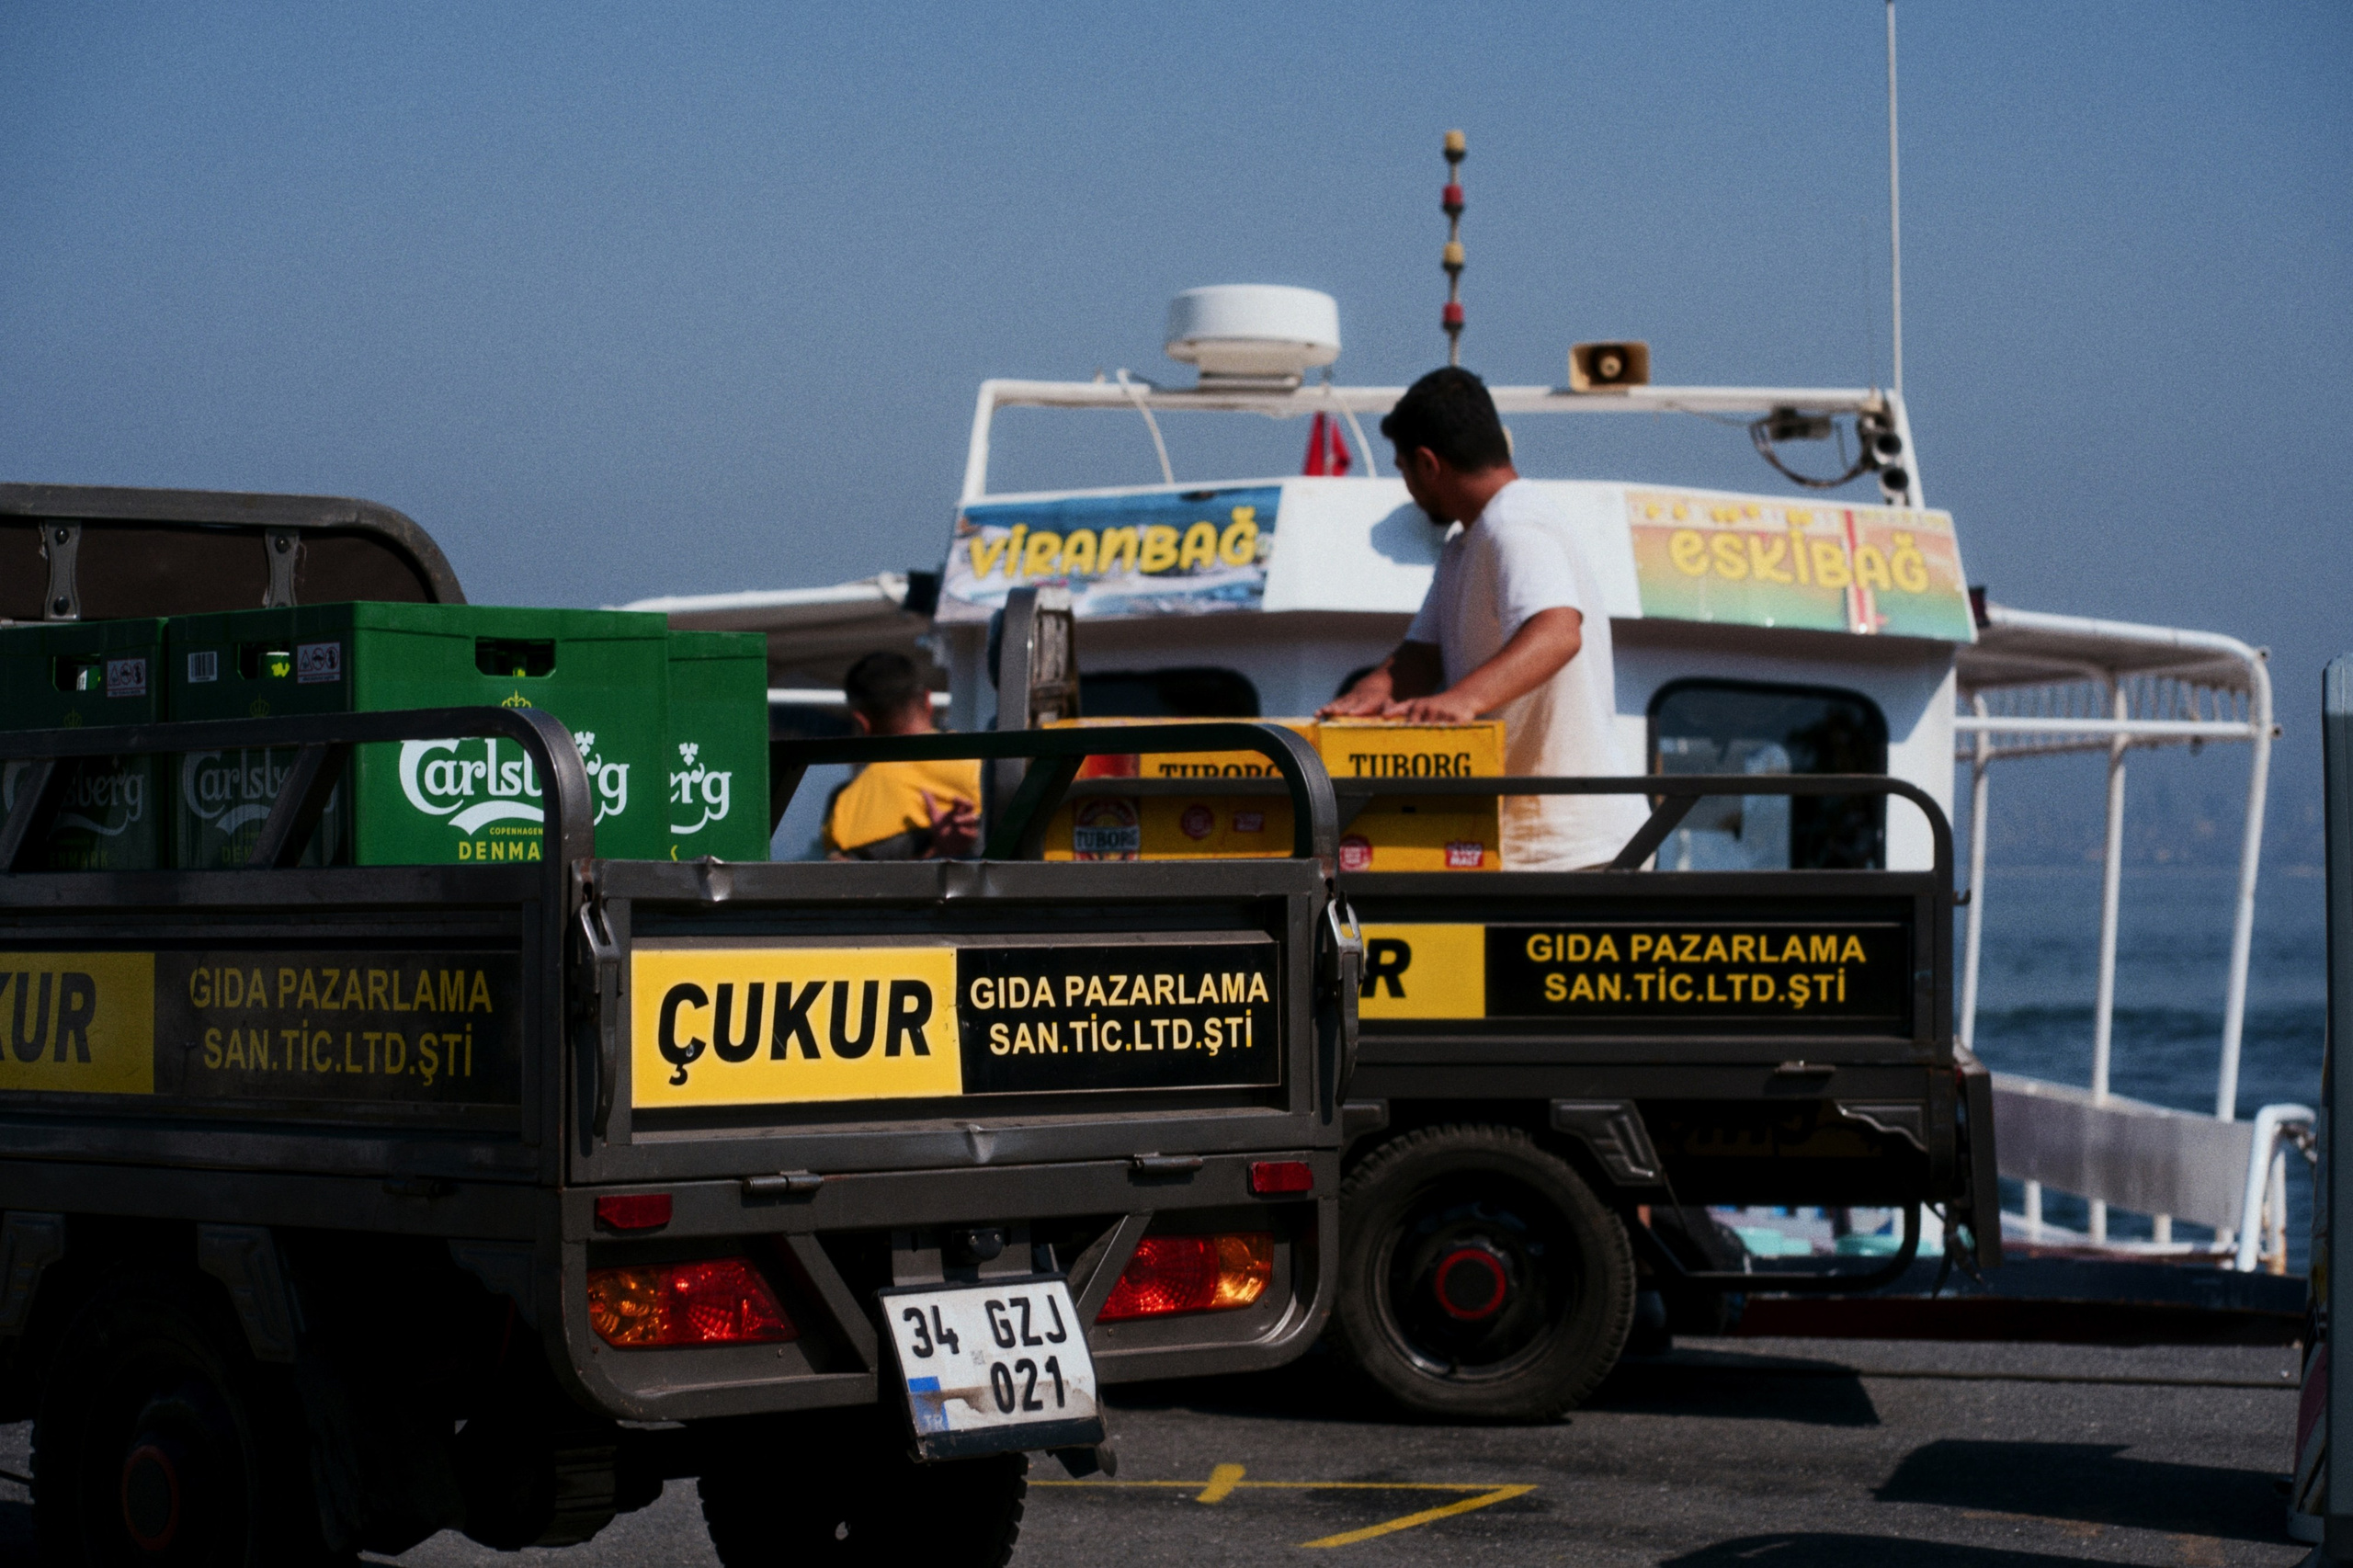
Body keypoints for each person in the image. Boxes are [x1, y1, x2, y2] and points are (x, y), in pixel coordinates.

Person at [1319, 367, 1649, 869]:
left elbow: (1558, 632)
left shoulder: (1515, 523)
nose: (1406, 485)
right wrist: (1370, 692)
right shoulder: (1464, 545)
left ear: (1428, 464)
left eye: (1403, 469)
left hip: (1573, 854)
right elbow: (1419, 657)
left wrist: (1460, 701)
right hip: (1524, 850)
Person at [822, 651, 981, 859]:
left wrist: (936, 851)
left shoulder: (846, 808)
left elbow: (845, 884)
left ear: (862, 722)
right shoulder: (983, 762)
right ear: (927, 700)